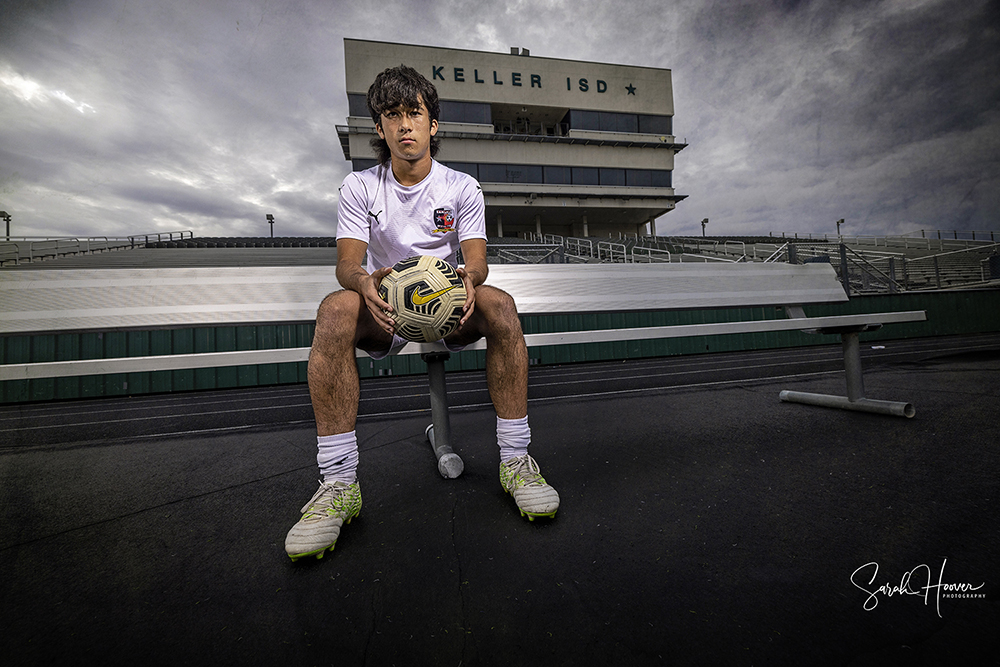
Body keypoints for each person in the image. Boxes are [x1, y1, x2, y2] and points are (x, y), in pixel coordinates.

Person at [284, 65, 559, 561]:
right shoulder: (360, 187)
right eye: (394, 115)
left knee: (501, 305)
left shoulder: (461, 187)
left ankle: (516, 461)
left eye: (415, 113)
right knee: (333, 310)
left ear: (433, 124)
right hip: (385, 306)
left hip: (448, 305)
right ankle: (339, 484)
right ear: (379, 128)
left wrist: (468, 283)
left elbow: (476, 260)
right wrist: (365, 282)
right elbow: (348, 263)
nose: (405, 124)